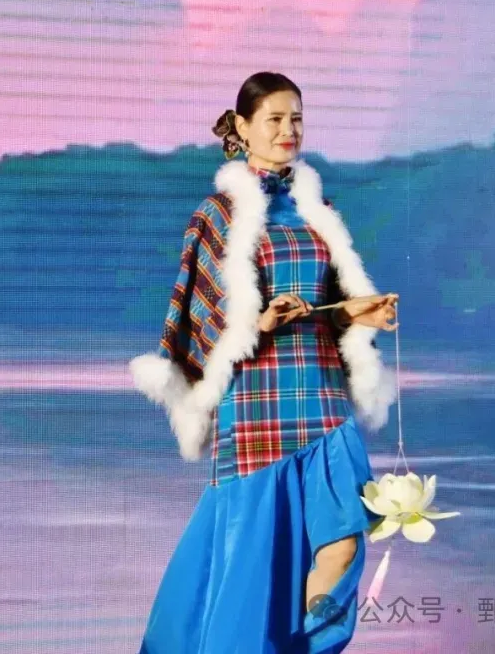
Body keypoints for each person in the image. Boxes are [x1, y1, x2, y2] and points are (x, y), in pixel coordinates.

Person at [130, 72, 399, 653]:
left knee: (344, 543)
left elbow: (329, 305)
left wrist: (359, 313)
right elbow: (197, 321)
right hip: (257, 406)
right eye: (274, 119)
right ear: (243, 127)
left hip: (323, 399)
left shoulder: (318, 210)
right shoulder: (217, 214)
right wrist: (259, 323)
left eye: (296, 118)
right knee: (253, 573)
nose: (288, 130)